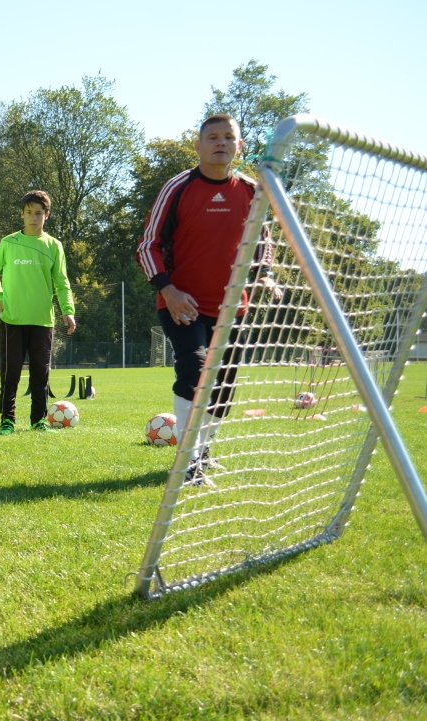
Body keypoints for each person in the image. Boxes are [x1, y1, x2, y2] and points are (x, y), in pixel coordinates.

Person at [136, 113, 279, 484]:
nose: (220, 143)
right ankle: (188, 464)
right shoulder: (178, 187)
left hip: (233, 307)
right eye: (212, 137)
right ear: (198, 145)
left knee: (225, 387)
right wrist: (169, 289)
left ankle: (204, 451)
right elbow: (147, 246)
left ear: (239, 146)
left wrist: (265, 276)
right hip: (183, 304)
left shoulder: (251, 190)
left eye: (228, 137)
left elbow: (263, 242)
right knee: (195, 371)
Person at [0, 190, 76, 434]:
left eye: (38, 213)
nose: (33, 218)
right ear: (21, 215)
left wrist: (68, 310)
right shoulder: (8, 242)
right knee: (10, 372)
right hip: (12, 318)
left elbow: (62, 282)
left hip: (42, 321)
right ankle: (7, 420)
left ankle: (38, 420)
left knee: (40, 374)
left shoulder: (54, 246)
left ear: (47, 215)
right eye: (29, 213)